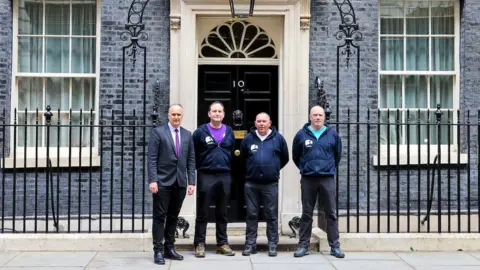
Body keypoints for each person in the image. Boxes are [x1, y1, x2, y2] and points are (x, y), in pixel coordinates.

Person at [292, 105, 345, 258]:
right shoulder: (301, 135)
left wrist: (327, 167)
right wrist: (305, 167)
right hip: (308, 178)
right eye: (314, 115)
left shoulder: (332, 135)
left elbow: (337, 155)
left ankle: (335, 246)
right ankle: (303, 246)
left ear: (324, 117)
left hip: (326, 177)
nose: (317, 117)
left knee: (331, 213)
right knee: (306, 213)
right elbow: (296, 155)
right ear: (310, 117)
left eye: (320, 115)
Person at [147, 104, 196, 265]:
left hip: (180, 182)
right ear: (168, 115)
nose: (176, 117)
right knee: (160, 217)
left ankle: (169, 248)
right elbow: (152, 158)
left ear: (182, 116)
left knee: (173, 217)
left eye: (179, 115)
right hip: (162, 182)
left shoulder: (187, 135)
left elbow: (191, 160)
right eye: (173, 114)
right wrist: (153, 180)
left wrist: (192, 182)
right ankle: (158, 251)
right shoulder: (158, 132)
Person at [240, 112, 289, 257]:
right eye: (259, 121)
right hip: (251, 183)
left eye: (264, 121)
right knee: (251, 215)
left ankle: (272, 244)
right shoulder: (248, 139)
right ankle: (250, 245)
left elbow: (284, 158)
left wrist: (272, 170)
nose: (261, 124)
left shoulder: (278, 138)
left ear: (270, 123)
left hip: (270, 183)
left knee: (271, 215)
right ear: (255, 123)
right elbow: (242, 159)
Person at [192, 101, 236, 258]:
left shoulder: (229, 131)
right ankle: (199, 244)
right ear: (209, 114)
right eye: (214, 111)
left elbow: (231, 151)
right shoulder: (200, 132)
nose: (217, 114)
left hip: (224, 175)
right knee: (203, 211)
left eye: (220, 111)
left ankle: (222, 243)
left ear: (223, 114)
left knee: (223, 211)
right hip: (206, 175)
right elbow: (193, 153)